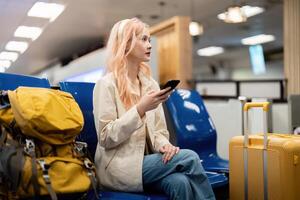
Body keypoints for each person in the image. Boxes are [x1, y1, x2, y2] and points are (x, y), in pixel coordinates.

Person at [93, 18, 215, 200]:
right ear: (126, 43)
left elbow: (159, 131)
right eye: (143, 39)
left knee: (180, 183)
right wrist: (140, 109)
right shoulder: (106, 84)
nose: (149, 45)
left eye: (149, 40)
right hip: (117, 166)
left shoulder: (150, 85)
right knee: (189, 157)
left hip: (147, 163)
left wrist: (164, 145)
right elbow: (106, 137)